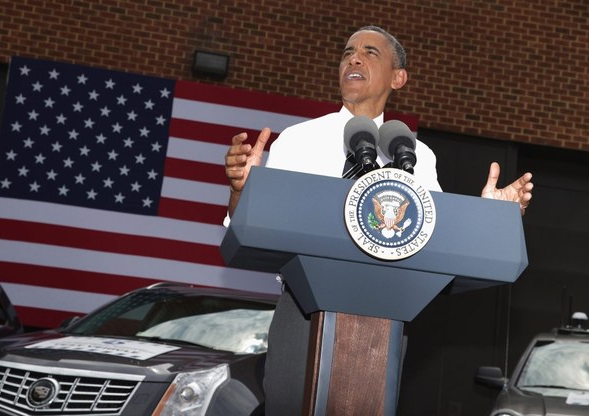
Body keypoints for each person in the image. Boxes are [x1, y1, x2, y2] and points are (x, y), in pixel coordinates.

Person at [224, 25, 533, 415]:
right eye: (347, 52)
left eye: (370, 52)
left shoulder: (415, 153)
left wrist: (489, 217)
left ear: (398, 77)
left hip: (383, 324)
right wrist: (240, 190)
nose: (353, 58)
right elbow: (243, 226)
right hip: (304, 316)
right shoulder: (299, 139)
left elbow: (436, 238)